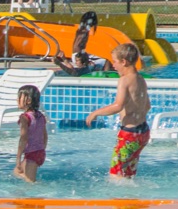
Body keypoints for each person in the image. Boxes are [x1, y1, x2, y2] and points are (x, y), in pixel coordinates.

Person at [86, 43, 150, 177]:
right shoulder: (140, 79)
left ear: (124, 62)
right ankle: (130, 198)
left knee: (116, 175)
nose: (113, 65)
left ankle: (117, 197)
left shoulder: (124, 80)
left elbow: (118, 105)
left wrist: (95, 113)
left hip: (129, 134)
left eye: (115, 62)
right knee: (128, 173)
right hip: (142, 132)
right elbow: (147, 105)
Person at [14, 84, 48, 181]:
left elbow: (23, 138)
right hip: (39, 152)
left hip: (31, 154)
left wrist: (18, 158)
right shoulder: (41, 116)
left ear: (28, 100)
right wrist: (42, 150)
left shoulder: (24, 117)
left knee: (30, 182)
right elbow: (44, 135)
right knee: (17, 172)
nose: (17, 100)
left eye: (19, 97)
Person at [55, 11, 105, 76]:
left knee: (78, 72)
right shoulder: (84, 31)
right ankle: (105, 76)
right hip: (78, 54)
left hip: (77, 54)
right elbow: (78, 45)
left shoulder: (81, 30)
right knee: (105, 62)